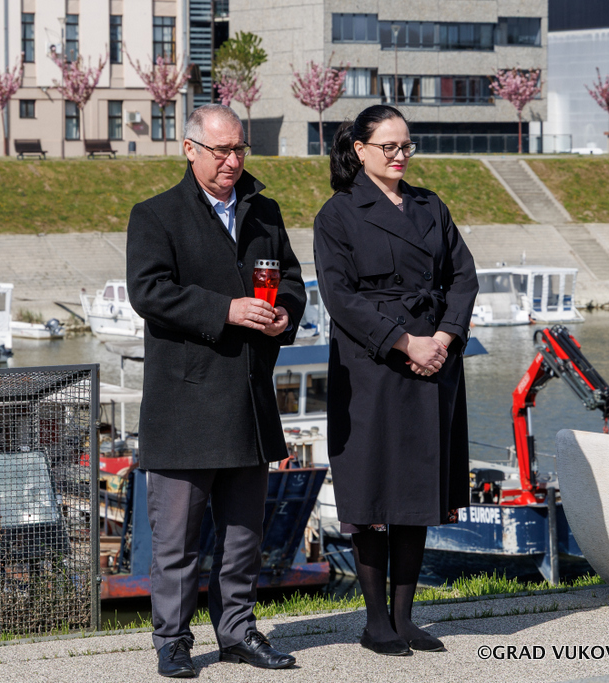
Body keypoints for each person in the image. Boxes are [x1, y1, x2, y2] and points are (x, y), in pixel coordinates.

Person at [126, 104, 305, 678]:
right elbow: (148, 292)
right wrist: (226, 310)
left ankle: (238, 633)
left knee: (244, 535)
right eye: (221, 150)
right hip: (183, 405)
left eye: (239, 150)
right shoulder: (155, 215)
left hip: (248, 401)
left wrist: (286, 314)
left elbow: (292, 279)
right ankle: (172, 642)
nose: (232, 161)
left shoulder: (264, 210)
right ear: (190, 149)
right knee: (176, 542)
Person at [313, 105, 478, 656]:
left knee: (416, 489)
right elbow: (341, 298)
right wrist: (407, 343)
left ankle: (405, 619)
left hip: (435, 361)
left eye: (407, 145)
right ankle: (375, 622)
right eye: (389, 146)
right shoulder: (337, 215)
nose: (400, 155)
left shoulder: (431, 205)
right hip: (374, 366)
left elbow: (463, 276)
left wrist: (444, 338)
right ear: (360, 150)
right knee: (372, 491)